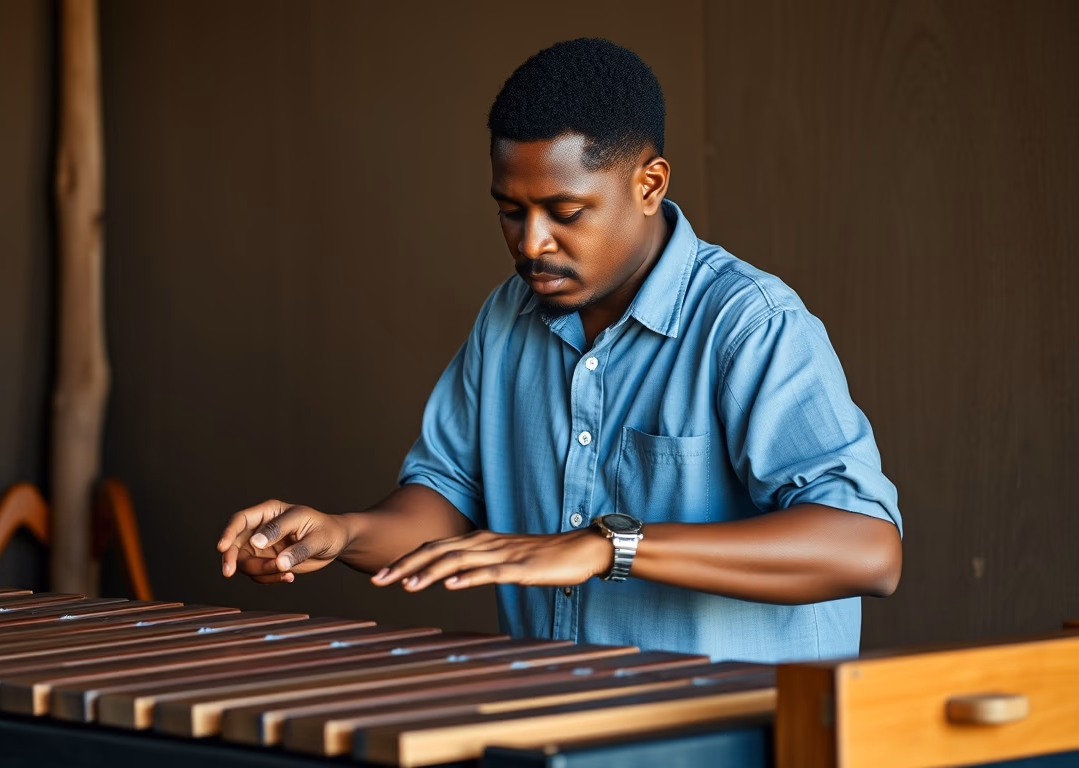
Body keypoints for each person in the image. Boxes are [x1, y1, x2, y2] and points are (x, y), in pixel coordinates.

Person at [216, 38, 902, 663]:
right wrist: (341, 534)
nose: (531, 243)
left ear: (649, 185)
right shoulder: (505, 319)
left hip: (736, 740)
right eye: (511, 212)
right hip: (561, 727)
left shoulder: (749, 325)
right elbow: (445, 500)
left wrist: (608, 546)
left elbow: (866, 549)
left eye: (564, 212)